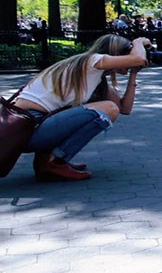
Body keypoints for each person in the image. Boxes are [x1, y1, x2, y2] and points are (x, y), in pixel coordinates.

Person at [12, 34, 149, 182]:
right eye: (128, 55)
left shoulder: (95, 76)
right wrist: (139, 41)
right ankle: (54, 162)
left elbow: (124, 108)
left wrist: (133, 74)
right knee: (108, 108)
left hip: (33, 129)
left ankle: (49, 160)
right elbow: (139, 58)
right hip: (28, 128)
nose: (131, 61)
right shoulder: (92, 61)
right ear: (116, 54)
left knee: (110, 108)